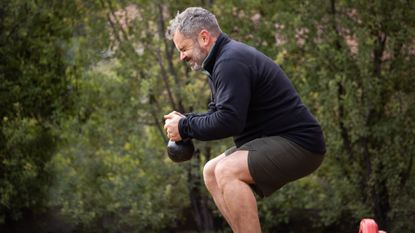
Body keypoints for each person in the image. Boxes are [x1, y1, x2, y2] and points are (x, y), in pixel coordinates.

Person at [163, 7, 326, 233]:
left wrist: (185, 126)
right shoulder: (220, 62)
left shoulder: (230, 61)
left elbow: (230, 121)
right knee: (211, 171)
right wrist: (185, 121)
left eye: (183, 48)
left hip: (300, 143)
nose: (182, 56)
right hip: (275, 139)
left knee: (227, 171)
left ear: (203, 37)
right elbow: (217, 113)